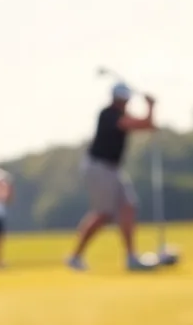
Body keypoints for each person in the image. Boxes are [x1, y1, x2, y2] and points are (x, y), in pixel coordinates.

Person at [66, 82, 157, 271]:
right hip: (99, 167)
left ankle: (131, 257)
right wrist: (150, 106)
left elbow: (148, 126)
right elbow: (144, 124)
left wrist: (150, 110)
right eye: (122, 99)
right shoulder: (108, 114)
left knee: (128, 206)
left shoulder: (121, 115)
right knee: (103, 214)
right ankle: (75, 256)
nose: (124, 102)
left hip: (113, 169)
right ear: (117, 99)